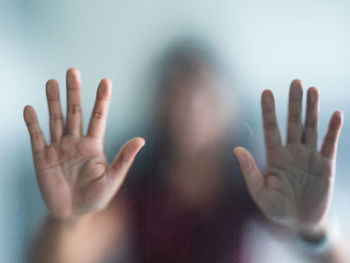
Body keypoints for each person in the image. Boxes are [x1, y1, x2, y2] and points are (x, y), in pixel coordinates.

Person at [24, 41, 349, 263]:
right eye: (177, 93)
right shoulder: (136, 188)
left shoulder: (251, 189)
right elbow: (54, 258)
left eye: (204, 93)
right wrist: (67, 219)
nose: (191, 107)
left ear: (229, 106)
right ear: (158, 107)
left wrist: (314, 229)